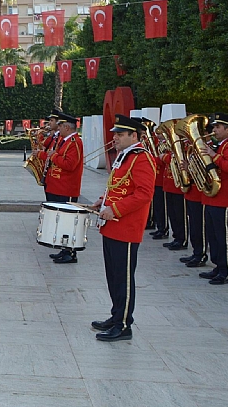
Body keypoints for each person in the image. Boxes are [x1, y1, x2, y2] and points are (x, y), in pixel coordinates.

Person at [90, 114, 156, 341]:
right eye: (115, 134)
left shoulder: (142, 158)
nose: (115, 137)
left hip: (126, 226)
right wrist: (103, 200)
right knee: (114, 275)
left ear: (134, 135)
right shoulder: (124, 156)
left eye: (120, 134)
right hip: (112, 225)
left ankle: (124, 324)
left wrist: (115, 210)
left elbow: (144, 194)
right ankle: (116, 315)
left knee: (124, 278)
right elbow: (118, 186)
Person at [199, 113, 228, 285]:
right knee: (214, 235)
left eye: (218, 127)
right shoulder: (221, 145)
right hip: (213, 196)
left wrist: (213, 155)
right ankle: (218, 266)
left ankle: (227, 271)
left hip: (224, 198)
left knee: (223, 236)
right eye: (215, 127)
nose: (214, 130)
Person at [36, 112, 84, 264]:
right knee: (62, 221)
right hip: (57, 186)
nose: (58, 128)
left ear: (67, 127)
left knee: (69, 221)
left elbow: (70, 165)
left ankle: (70, 252)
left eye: (61, 126)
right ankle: (64, 249)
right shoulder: (64, 140)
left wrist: (53, 156)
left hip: (66, 188)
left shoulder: (75, 142)